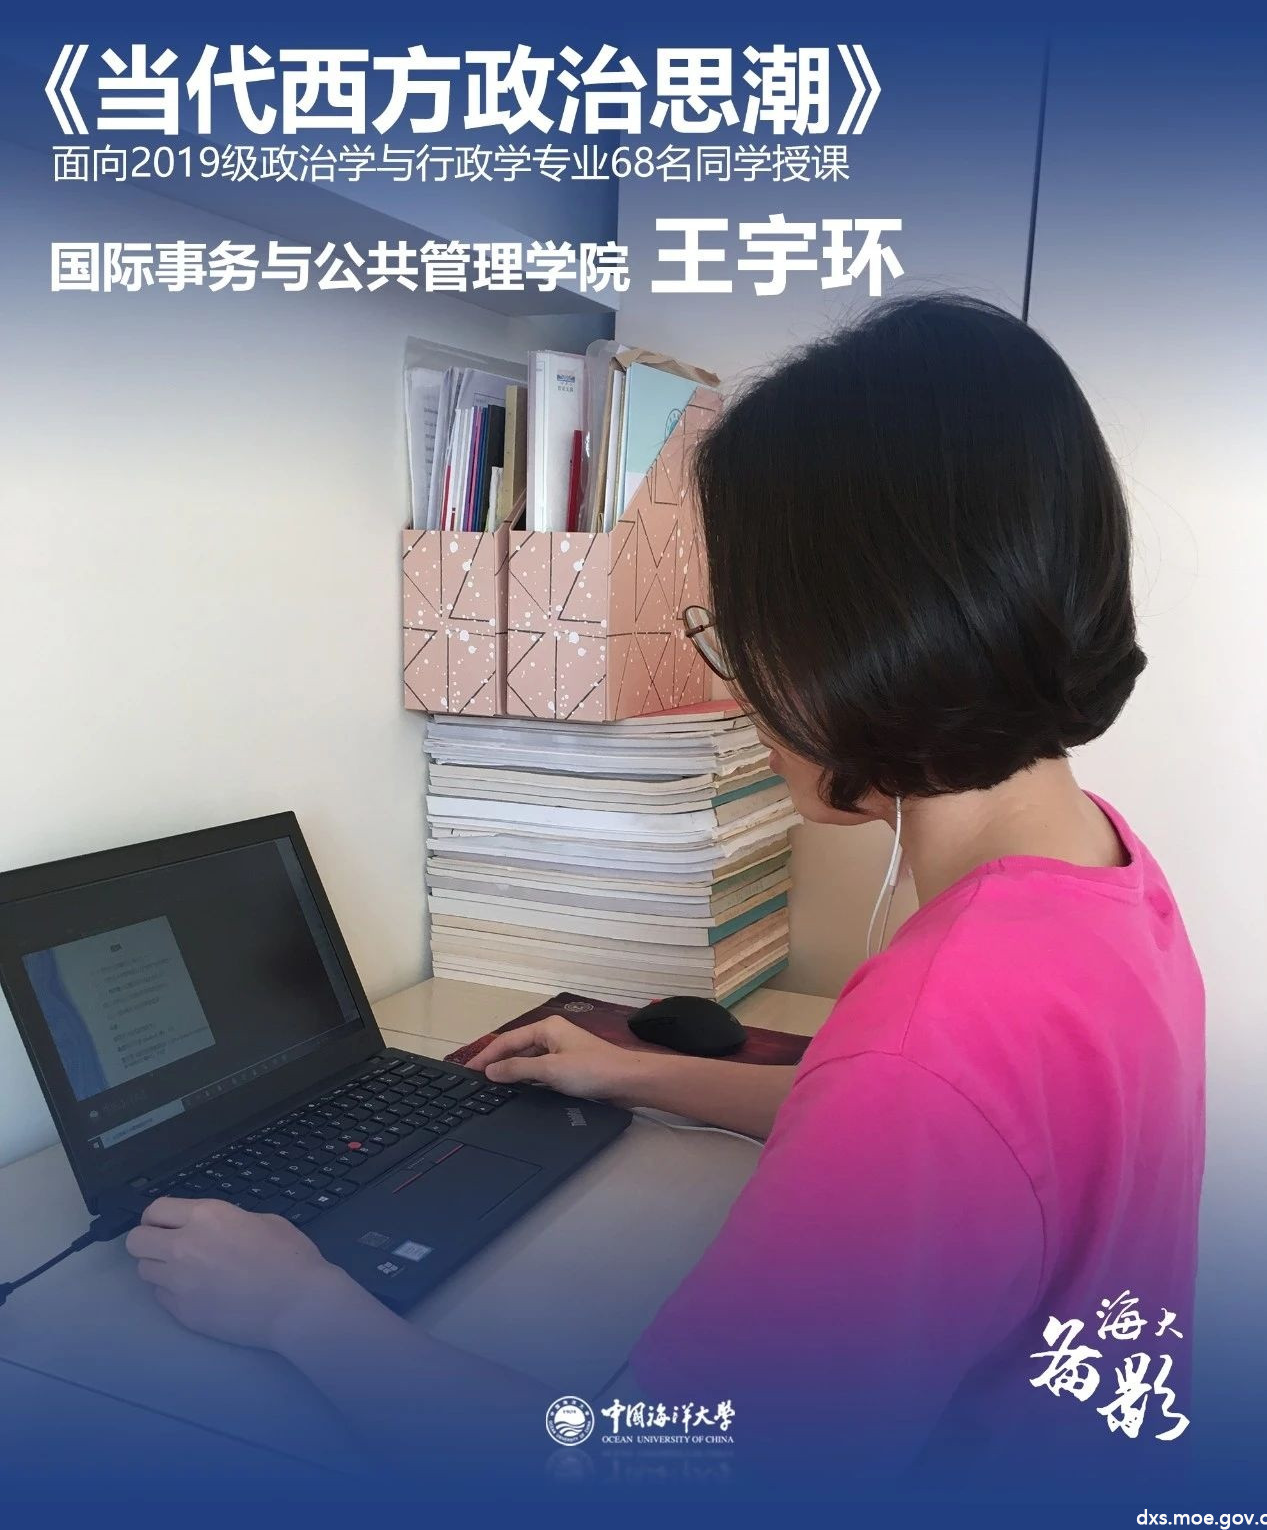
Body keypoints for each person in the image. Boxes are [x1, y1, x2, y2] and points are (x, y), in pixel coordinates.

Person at [124, 296, 1204, 1493]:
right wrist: (632, 1073)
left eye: (738, 635)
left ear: (855, 636)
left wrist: (298, 1307)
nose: (739, 692)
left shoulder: (929, 1043)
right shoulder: (1106, 880)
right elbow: (948, 1143)